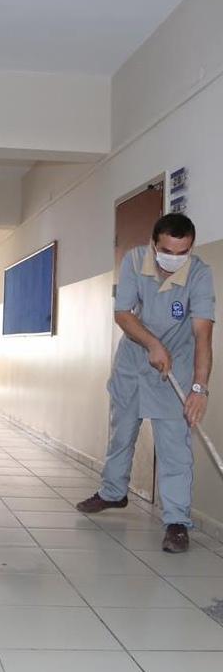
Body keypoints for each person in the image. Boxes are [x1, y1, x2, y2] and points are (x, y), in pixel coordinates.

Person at [76, 213, 214, 553]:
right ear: (155, 244)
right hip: (133, 364)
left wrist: (199, 388)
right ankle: (113, 493)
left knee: (174, 449)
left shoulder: (200, 274)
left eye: (182, 252)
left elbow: (202, 336)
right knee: (122, 433)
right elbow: (123, 313)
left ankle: (177, 521)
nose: (174, 259)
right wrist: (152, 343)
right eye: (167, 250)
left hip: (175, 371)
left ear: (191, 248)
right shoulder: (135, 260)